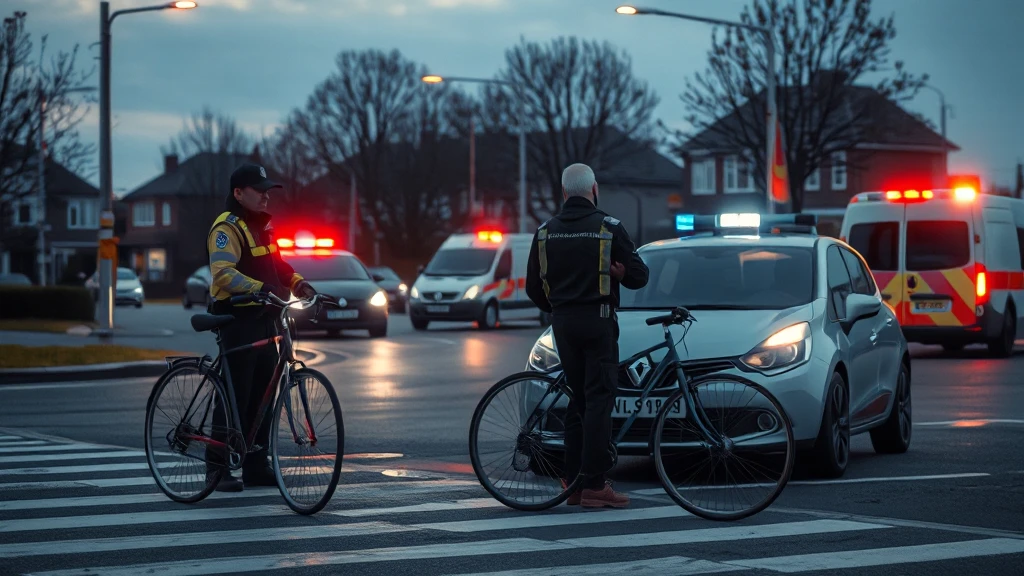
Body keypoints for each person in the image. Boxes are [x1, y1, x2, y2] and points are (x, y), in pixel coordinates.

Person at [525, 162, 649, 509]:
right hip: (598, 322)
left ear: (564, 192)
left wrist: (560, 306)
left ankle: (573, 483)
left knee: (578, 401)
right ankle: (595, 484)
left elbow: (533, 288)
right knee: (598, 400)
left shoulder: (546, 232)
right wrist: (621, 274)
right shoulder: (609, 228)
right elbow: (640, 277)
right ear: (594, 189)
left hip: (563, 324)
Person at [205, 162, 317, 492]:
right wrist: (259, 288)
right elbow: (222, 273)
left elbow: (277, 266)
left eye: (268, 190)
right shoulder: (226, 228)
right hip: (237, 320)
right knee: (235, 394)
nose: (267, 196)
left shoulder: (263, 228)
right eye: (260, 190)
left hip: (268, 318)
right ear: (238, 194)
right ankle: (217, 467)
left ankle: (256, 465)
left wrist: (300, 285)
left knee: (265, 393)